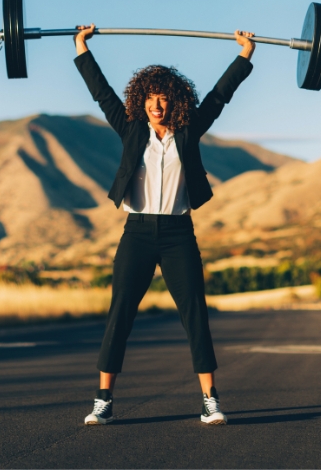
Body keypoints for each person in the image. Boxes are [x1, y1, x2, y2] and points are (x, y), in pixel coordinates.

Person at [73, 23, 255, 426]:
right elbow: (101, 93)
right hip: (136, 233)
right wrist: (81, 48)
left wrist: (245, 56)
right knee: (120, 313)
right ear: (142, 101)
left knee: (195, 314)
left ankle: (210, 400)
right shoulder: (132, 130)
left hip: (177, 234)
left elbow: (218, 97)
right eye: (151, 98)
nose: (157, 105)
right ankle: (103, 400)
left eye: (164, 99)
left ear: (176, 103)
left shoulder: (188, 133)